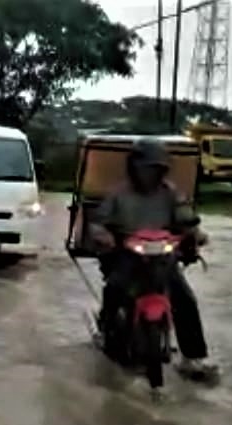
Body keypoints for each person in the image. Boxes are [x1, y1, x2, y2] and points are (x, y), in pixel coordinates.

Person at [89, 138, 214, 374]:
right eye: (146, 168)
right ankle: (107, 329)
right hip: (128, 254)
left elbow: (185, 217)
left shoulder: (170, 192)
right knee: (115, 287)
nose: (150, 173)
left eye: (156, 168)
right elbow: (98, 222)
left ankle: (193, 356)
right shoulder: (118, 194)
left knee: (184, 298)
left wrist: (196, 234)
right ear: (134, 166)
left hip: (162, 256)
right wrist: (104, 235)